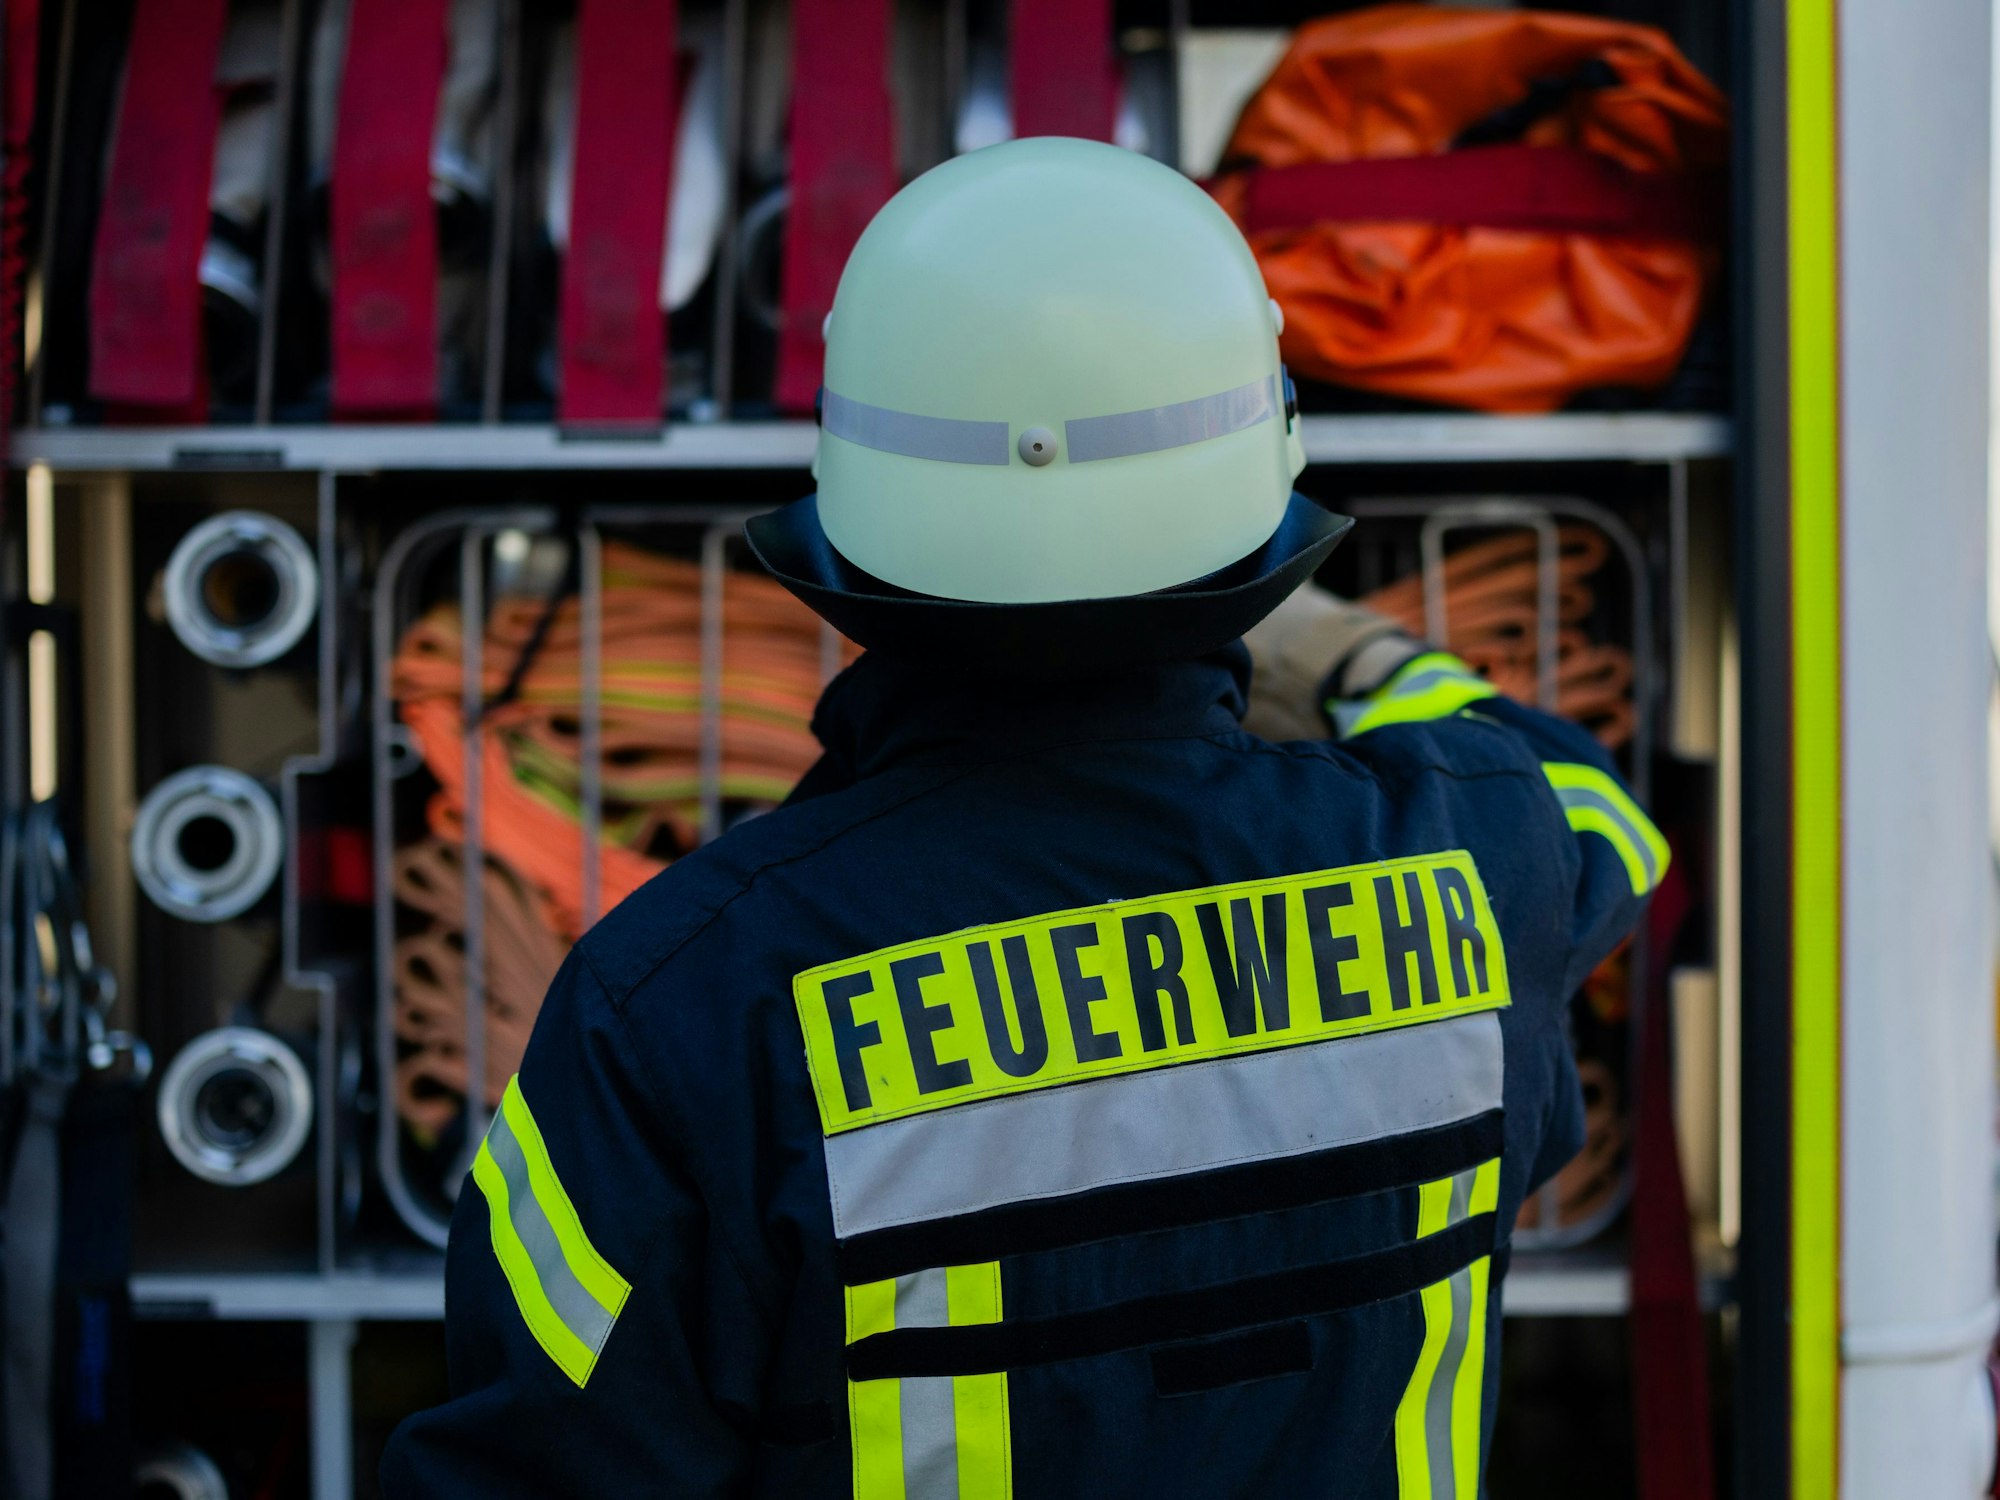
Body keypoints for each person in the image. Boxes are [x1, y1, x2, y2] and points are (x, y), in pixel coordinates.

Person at [380, 136, 1663, 1499]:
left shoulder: (677, 1005)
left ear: (857, 509)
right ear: (1258, 506)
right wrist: (1348, 660)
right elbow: (1599, 816)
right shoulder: (1474, 863)